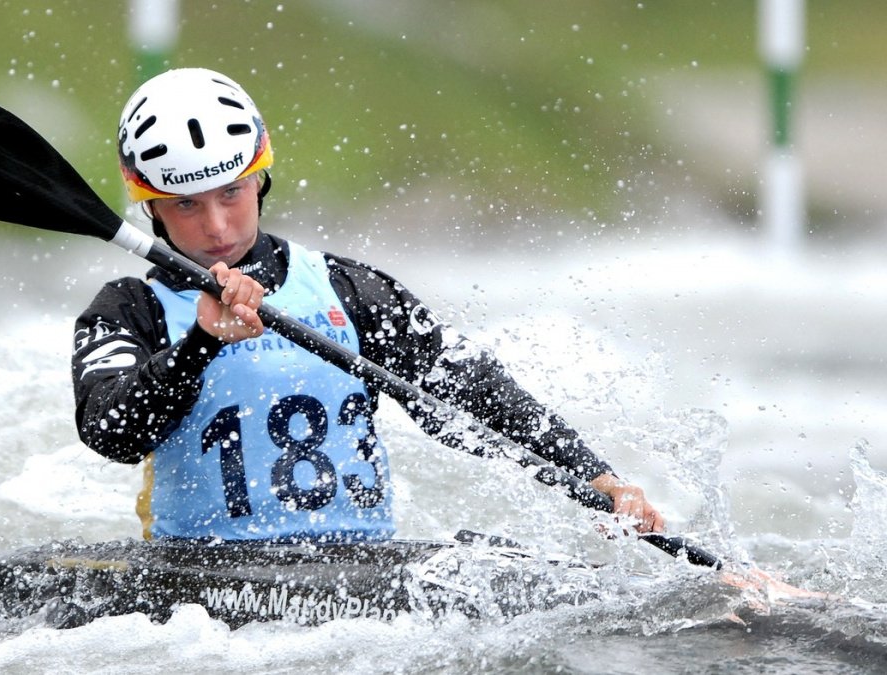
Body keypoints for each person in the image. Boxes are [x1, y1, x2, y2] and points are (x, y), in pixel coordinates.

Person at [72, 68, 664, 542]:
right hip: (204, 586)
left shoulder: (348, 289)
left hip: (362, 570)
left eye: (232, 192)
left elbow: (468, 393)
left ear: (260, 178)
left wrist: (597, 477)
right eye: (186, 206)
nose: (218, 224)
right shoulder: (132, 308)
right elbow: (110, 432)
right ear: (149, 206)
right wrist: (199, 346)